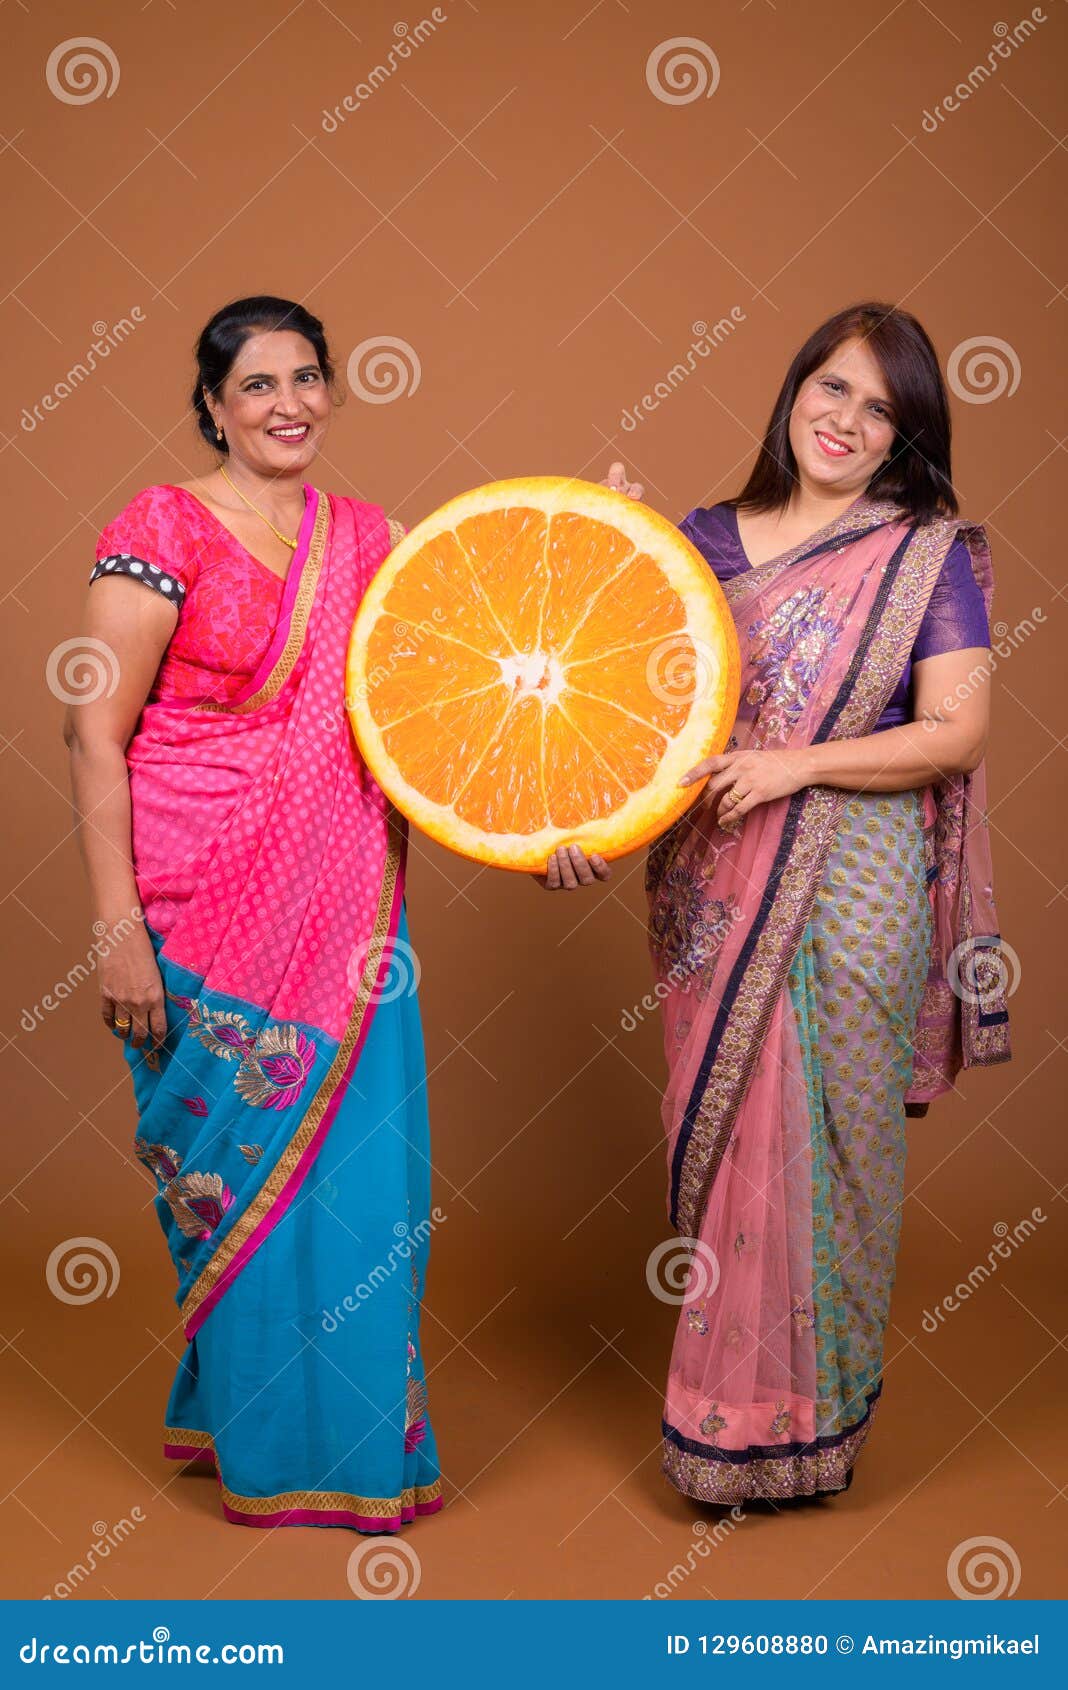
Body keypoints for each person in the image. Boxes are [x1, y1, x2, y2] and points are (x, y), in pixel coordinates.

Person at [541, 301, 1011, 1504]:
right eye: (831, 388)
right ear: (794, 388)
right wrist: (611, 558)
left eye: (880, 408)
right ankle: (730, 1419)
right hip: (714, 887)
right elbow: (628, 712)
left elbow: (956, 732)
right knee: (732, 1144)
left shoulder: (926, 556)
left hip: (853, 889)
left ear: (906, 437)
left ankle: (805, 1427)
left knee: (833, 1152)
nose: (845, 420)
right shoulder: (698, 539)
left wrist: (796, 765)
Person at [64, 296, 442, 1533]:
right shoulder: (161, 526)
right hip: (195, 901)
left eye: (309, 379)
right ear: (216, 405)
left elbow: (444, 700)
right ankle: (262, 1429)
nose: (290, 405)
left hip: (342, 916)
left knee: (355, 1187)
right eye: (260, 384)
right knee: (229, 1177)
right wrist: (116, 923)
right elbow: (94, 730)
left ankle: (329, 1440)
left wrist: (599, 547)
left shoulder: (369, 539)